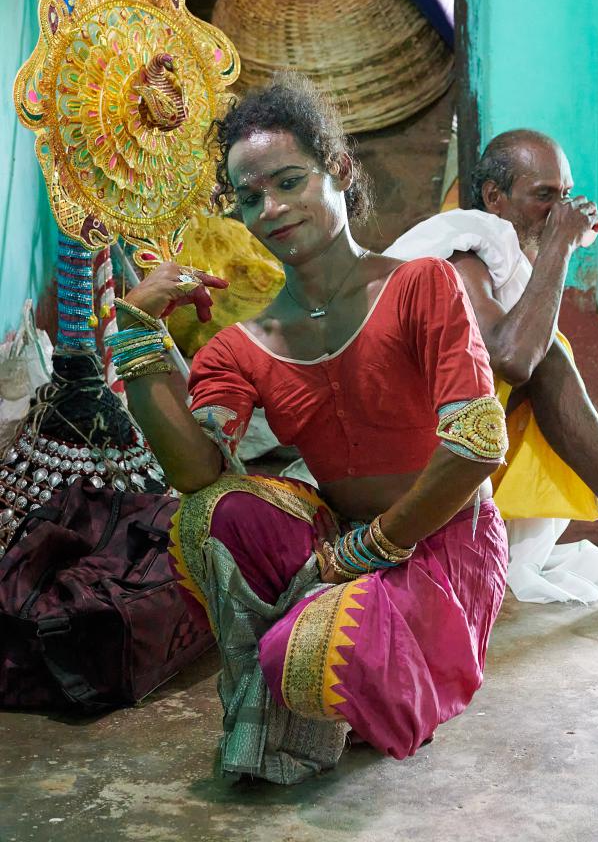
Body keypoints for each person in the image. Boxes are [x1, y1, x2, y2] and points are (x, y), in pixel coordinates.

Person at [109, 73, 509, 784]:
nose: (271, 208)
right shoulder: (243, 342)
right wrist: (137, 332)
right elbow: (197, 472)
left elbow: (478, 446)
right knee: (212, 516)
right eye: (249, 197)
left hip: (443, 547)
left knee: (303, 656)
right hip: (341, 547)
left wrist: (370, 549)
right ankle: (339, 650)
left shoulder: (420, 285)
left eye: (290, 181)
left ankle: (386, 666)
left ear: (340, 169)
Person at [385, 130, 598, 603]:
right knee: (548, 358)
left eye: (566, 196)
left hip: (443, 434)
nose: (561, 212)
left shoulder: (501, 257)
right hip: (390, 440)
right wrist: (561, 247)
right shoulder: (465, 250)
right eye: (544, 196)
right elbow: (513, 358)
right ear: (495, 197)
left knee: (552, 349)